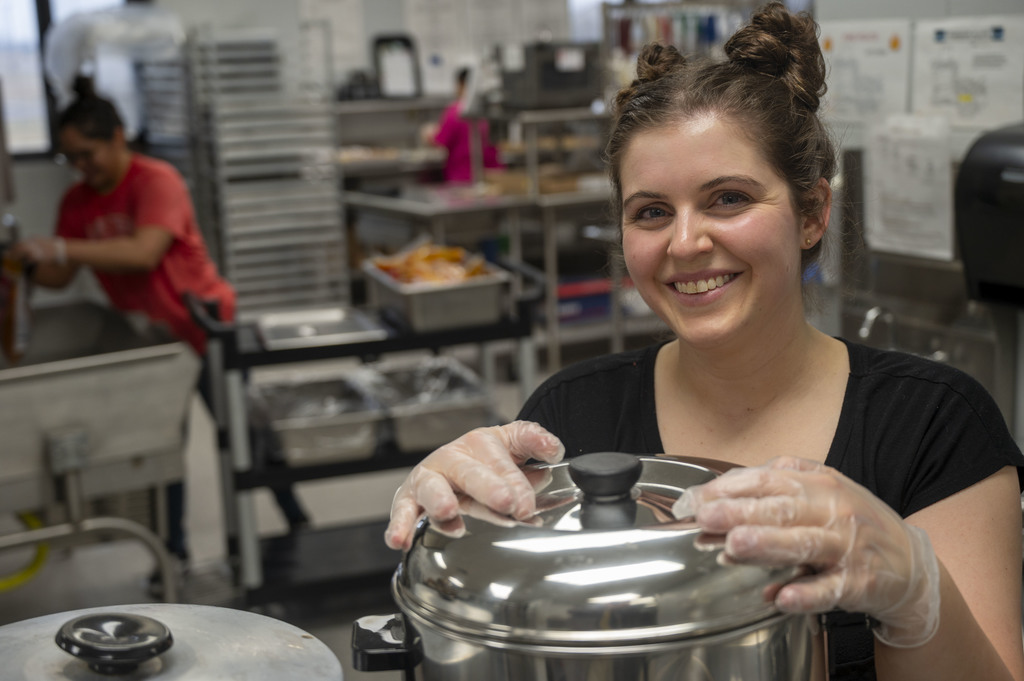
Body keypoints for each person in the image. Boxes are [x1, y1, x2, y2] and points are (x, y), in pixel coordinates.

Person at [384, 4, 1024, 681]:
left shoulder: (934, 426)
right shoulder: (570, 418)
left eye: (728, 199)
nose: (686, 243)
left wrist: (918, 593)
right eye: (653, 211)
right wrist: (452, 531)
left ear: (812, 213)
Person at [14, 78, 309, 573]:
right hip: (154, 341)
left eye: (88, 154)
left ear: (118, 138)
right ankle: (172, 554)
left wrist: (61, 247)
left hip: (207, 329)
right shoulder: (78, 202)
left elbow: (142, 252)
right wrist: (23, 264)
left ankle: (297, 522)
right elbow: (61, 277)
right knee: (162, 448)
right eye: (71, 158)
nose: (81, 167)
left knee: (246, 439)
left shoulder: (157, 181)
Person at [422, 67, 503, 183]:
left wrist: (427, 134)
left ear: (460, 84)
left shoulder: (456, 111)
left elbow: (440, 141)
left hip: (463, 178)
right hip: (494, 178)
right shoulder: (490, 109)